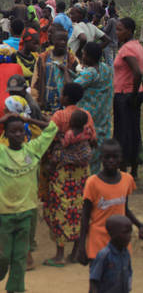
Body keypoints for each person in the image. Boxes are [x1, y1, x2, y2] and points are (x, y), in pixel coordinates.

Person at [0, 113, 58, 293]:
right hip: (4, 213)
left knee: (20, 257)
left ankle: (15, 289)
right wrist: (1, 120)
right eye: (13, 131)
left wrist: (30, 120)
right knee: (3, 256)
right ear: (6, 134)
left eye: (21, 131)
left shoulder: (33, 150)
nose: (18, 135)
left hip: (27, 212)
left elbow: (52, 128)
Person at [41, 83, 95, 267]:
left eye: (62, 94)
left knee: (59, 209)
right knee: (80, 208)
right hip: (82, 172)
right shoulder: (86, 115)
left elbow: (48, 138)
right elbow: (93, 140)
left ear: (66, 97)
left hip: (63, 170)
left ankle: (59, 254)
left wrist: (48, 160)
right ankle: (76, 251)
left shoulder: (59, 115)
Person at [75, 141, 142, 265]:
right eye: (107, 157)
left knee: (121, 280)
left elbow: (124, 209)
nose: (111, 160)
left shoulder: (127, 180)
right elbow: (85, 217)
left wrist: (139, 225)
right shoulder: (92, 183)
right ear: (101, 158)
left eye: (115, 157)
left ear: (120, 158)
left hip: (121, 242)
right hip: (98, 243)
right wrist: (81, 246)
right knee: (99, 281)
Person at [66, 42, 114, 173]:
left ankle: (88, 184)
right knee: (97, 156)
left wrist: (65, 72)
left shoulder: (90, 73)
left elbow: (73, 89)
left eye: (84, 54)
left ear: (90, 57)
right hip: (102, 120)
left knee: (88, 157)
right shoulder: (106, 68)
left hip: (89, 120)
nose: (82, 56)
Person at [112, 17, 143, 179]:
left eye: (120, 30)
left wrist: (132, 94)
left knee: (123, 132)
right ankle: (135, 170)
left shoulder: (127, 49)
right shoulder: (137, 46)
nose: (117, 33)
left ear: (129, 31)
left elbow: (137, 72)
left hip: (125, 94)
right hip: (133, 93)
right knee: (134, 130)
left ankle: (123, 170)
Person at [31, 26, 78, 114]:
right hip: (46, 106)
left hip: (65, 109)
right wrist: (35, 102)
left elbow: (77, 80)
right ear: (53, 40)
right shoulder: (43, 58)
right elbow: (35, 81)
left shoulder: (71, 59)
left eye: (65, 40)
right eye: (59, 40)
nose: (63, 43)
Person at [88, 215, 133, 293]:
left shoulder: (126, 254)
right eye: (125, 232)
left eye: (130, 232)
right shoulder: (104, 255)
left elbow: (129, 274)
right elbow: (94, 280)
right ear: (112, 233)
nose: (129, 236)